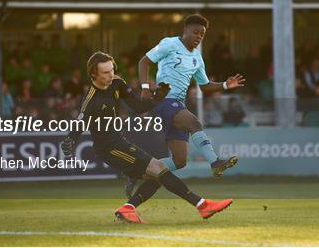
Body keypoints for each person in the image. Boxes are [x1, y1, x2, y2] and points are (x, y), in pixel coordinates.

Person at [60, 52, 232, 223]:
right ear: (93, 74)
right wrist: (70, 140)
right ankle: (202, 205)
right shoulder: (91, 99)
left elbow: (138, 107)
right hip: (109, 149)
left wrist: (157, 97)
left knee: (158, 174)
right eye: (105, 72)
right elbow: (80, 122)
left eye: (112, 70)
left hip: (119, 142)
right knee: (159, 169)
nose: (111, 75)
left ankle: (128, 208)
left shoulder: (117, 83)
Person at [137, 14, 243, 182]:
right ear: (185, 30)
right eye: (196, 32)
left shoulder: (197, 58)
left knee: (179, 162)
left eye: (202, 34)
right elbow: (144, 62)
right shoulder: (169, 43)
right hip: (164, 100)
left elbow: (205, 85)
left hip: (178, 105)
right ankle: (215, 162)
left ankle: (136, 172)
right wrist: (144, 88)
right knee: (194, 123)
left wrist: (224, 85)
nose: (199, 37)